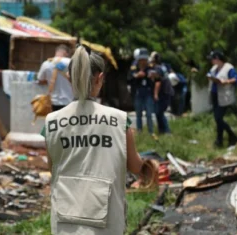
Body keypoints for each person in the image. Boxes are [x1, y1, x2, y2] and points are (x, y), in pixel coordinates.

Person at [41, 45, 157, 235]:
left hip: (65, 218)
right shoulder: (120, 120)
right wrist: (150, 167)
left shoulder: (51, 122)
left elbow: (52, 168)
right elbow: (136, 168)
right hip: (106, 220)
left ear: (69, 78)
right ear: (100, 78)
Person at [207, 50, 237, 147]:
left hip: (224, 96)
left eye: (212, 59)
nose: (211, 61)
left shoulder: (228, 68)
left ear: (217, 59)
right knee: (218, 119)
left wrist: (226, 81)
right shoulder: (214, 68)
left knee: (218, 118)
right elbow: (209, 74)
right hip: (215, 94)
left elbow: (235, 78)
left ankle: (232, 135)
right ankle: (219, 140)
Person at [37, 44, 73, 111]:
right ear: (66, 53)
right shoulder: (72, 62)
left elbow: (40, 80)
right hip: (70, 102)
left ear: (56, 52)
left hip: (54, 102)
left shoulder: (46, 63)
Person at [128, 48, 155, 134]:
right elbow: (129, 78)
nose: (143, 61)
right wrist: (137, 76)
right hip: (138, 92)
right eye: (141, 59)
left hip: (148, 92)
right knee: (138, 114)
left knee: (149, 114)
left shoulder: (150, 67)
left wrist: (150, 76)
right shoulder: (134, 67)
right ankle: (139, 131)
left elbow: (156, 78)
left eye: (144, 59)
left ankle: (151, 132)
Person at [149, 51, 174, 134]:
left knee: (160, 112)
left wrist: (155, 94)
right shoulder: (162, 66)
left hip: (163, 93)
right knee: (158, 112)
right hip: (167, 91)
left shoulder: (157, 68)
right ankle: (161, 131)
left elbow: (158, 82)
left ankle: (166, 131)